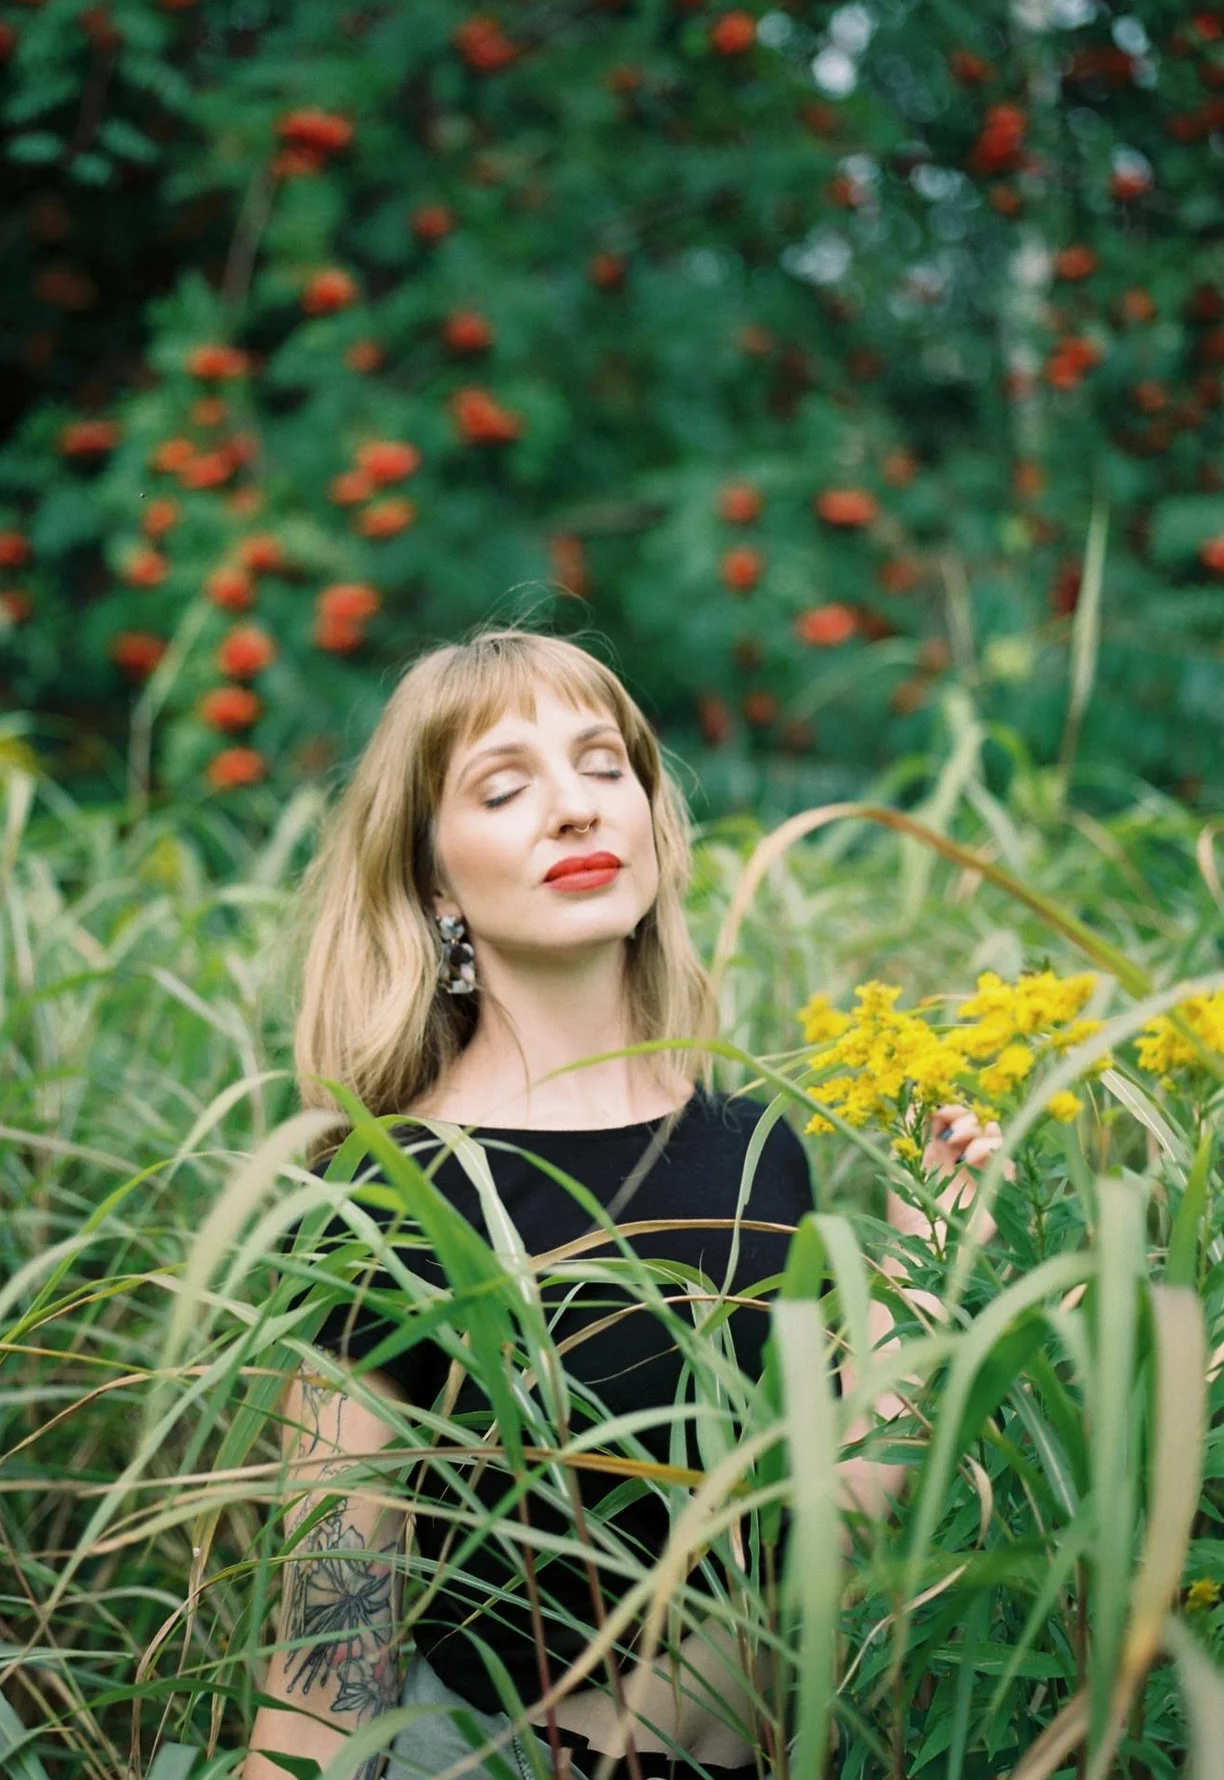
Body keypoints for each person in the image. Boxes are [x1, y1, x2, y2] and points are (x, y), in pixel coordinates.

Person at [244, 628, 1004, 1780]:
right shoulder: (388, 1191)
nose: (575, 809)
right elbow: (322, 1670)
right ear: (435, 880)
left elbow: (827, 1523)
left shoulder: (755, 1151)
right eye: (505, 788)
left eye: (605, 767)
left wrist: (929, 1252)